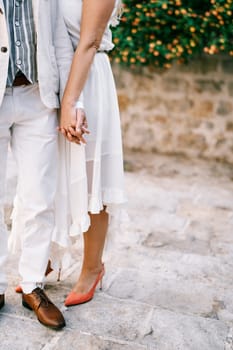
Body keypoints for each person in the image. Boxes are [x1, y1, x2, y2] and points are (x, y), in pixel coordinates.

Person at [53, 0, 127, 306]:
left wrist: (71, 102)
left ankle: (92, 267)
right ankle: (47, 254)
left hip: (88, 77)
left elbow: (89, 41)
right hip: (55, 74)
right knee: (50, 171)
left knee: (91, 174)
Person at [0, 0, 66, 329]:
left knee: (40, 198)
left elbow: (58, 39)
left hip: (38, 97)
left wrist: (71, 101)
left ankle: (32, 285)